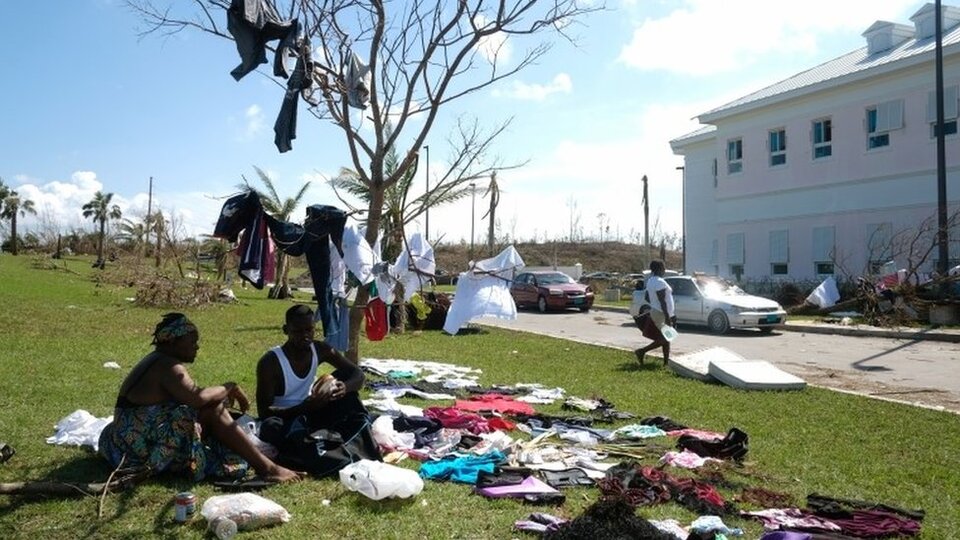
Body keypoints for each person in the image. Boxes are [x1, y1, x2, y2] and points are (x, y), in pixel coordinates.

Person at [99, 313, 302, 484]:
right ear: (172, 342)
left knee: (213, 405)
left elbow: (191, 398)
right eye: (192, 342)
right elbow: (198, 398)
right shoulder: (168, 366)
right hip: (138, 446)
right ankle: (268, 469)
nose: (196, 347)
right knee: (214, 410)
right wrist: (229, 387)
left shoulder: (157, 360)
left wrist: (222, 393)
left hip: (122, 438)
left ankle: (261, 461)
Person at [255, 304, 380, 475]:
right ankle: (317, 451)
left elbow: (357, 374)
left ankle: (357, 443)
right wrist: (303, 408)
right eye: (298, 331)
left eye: (309, 330)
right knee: (271, 427)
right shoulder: (270, 362)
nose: (305, 336)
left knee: (349, 397)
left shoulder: (320, 349)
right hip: (285, 417)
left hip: (311, 411)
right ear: (286, 330)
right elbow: (264, 412)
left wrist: (344, 387)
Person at [634, 260, 676, 366]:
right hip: (661, 314)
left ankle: (666, 363)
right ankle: (641, 351)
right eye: (663, 267)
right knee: (666, 338)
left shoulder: (651, 281)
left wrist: (654, 304)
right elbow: (662, 301)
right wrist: (667, 317)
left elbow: (648, 297)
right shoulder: (659, 282)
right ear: (659, 269)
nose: (664, 270)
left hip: (657, 312)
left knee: (667, 338)